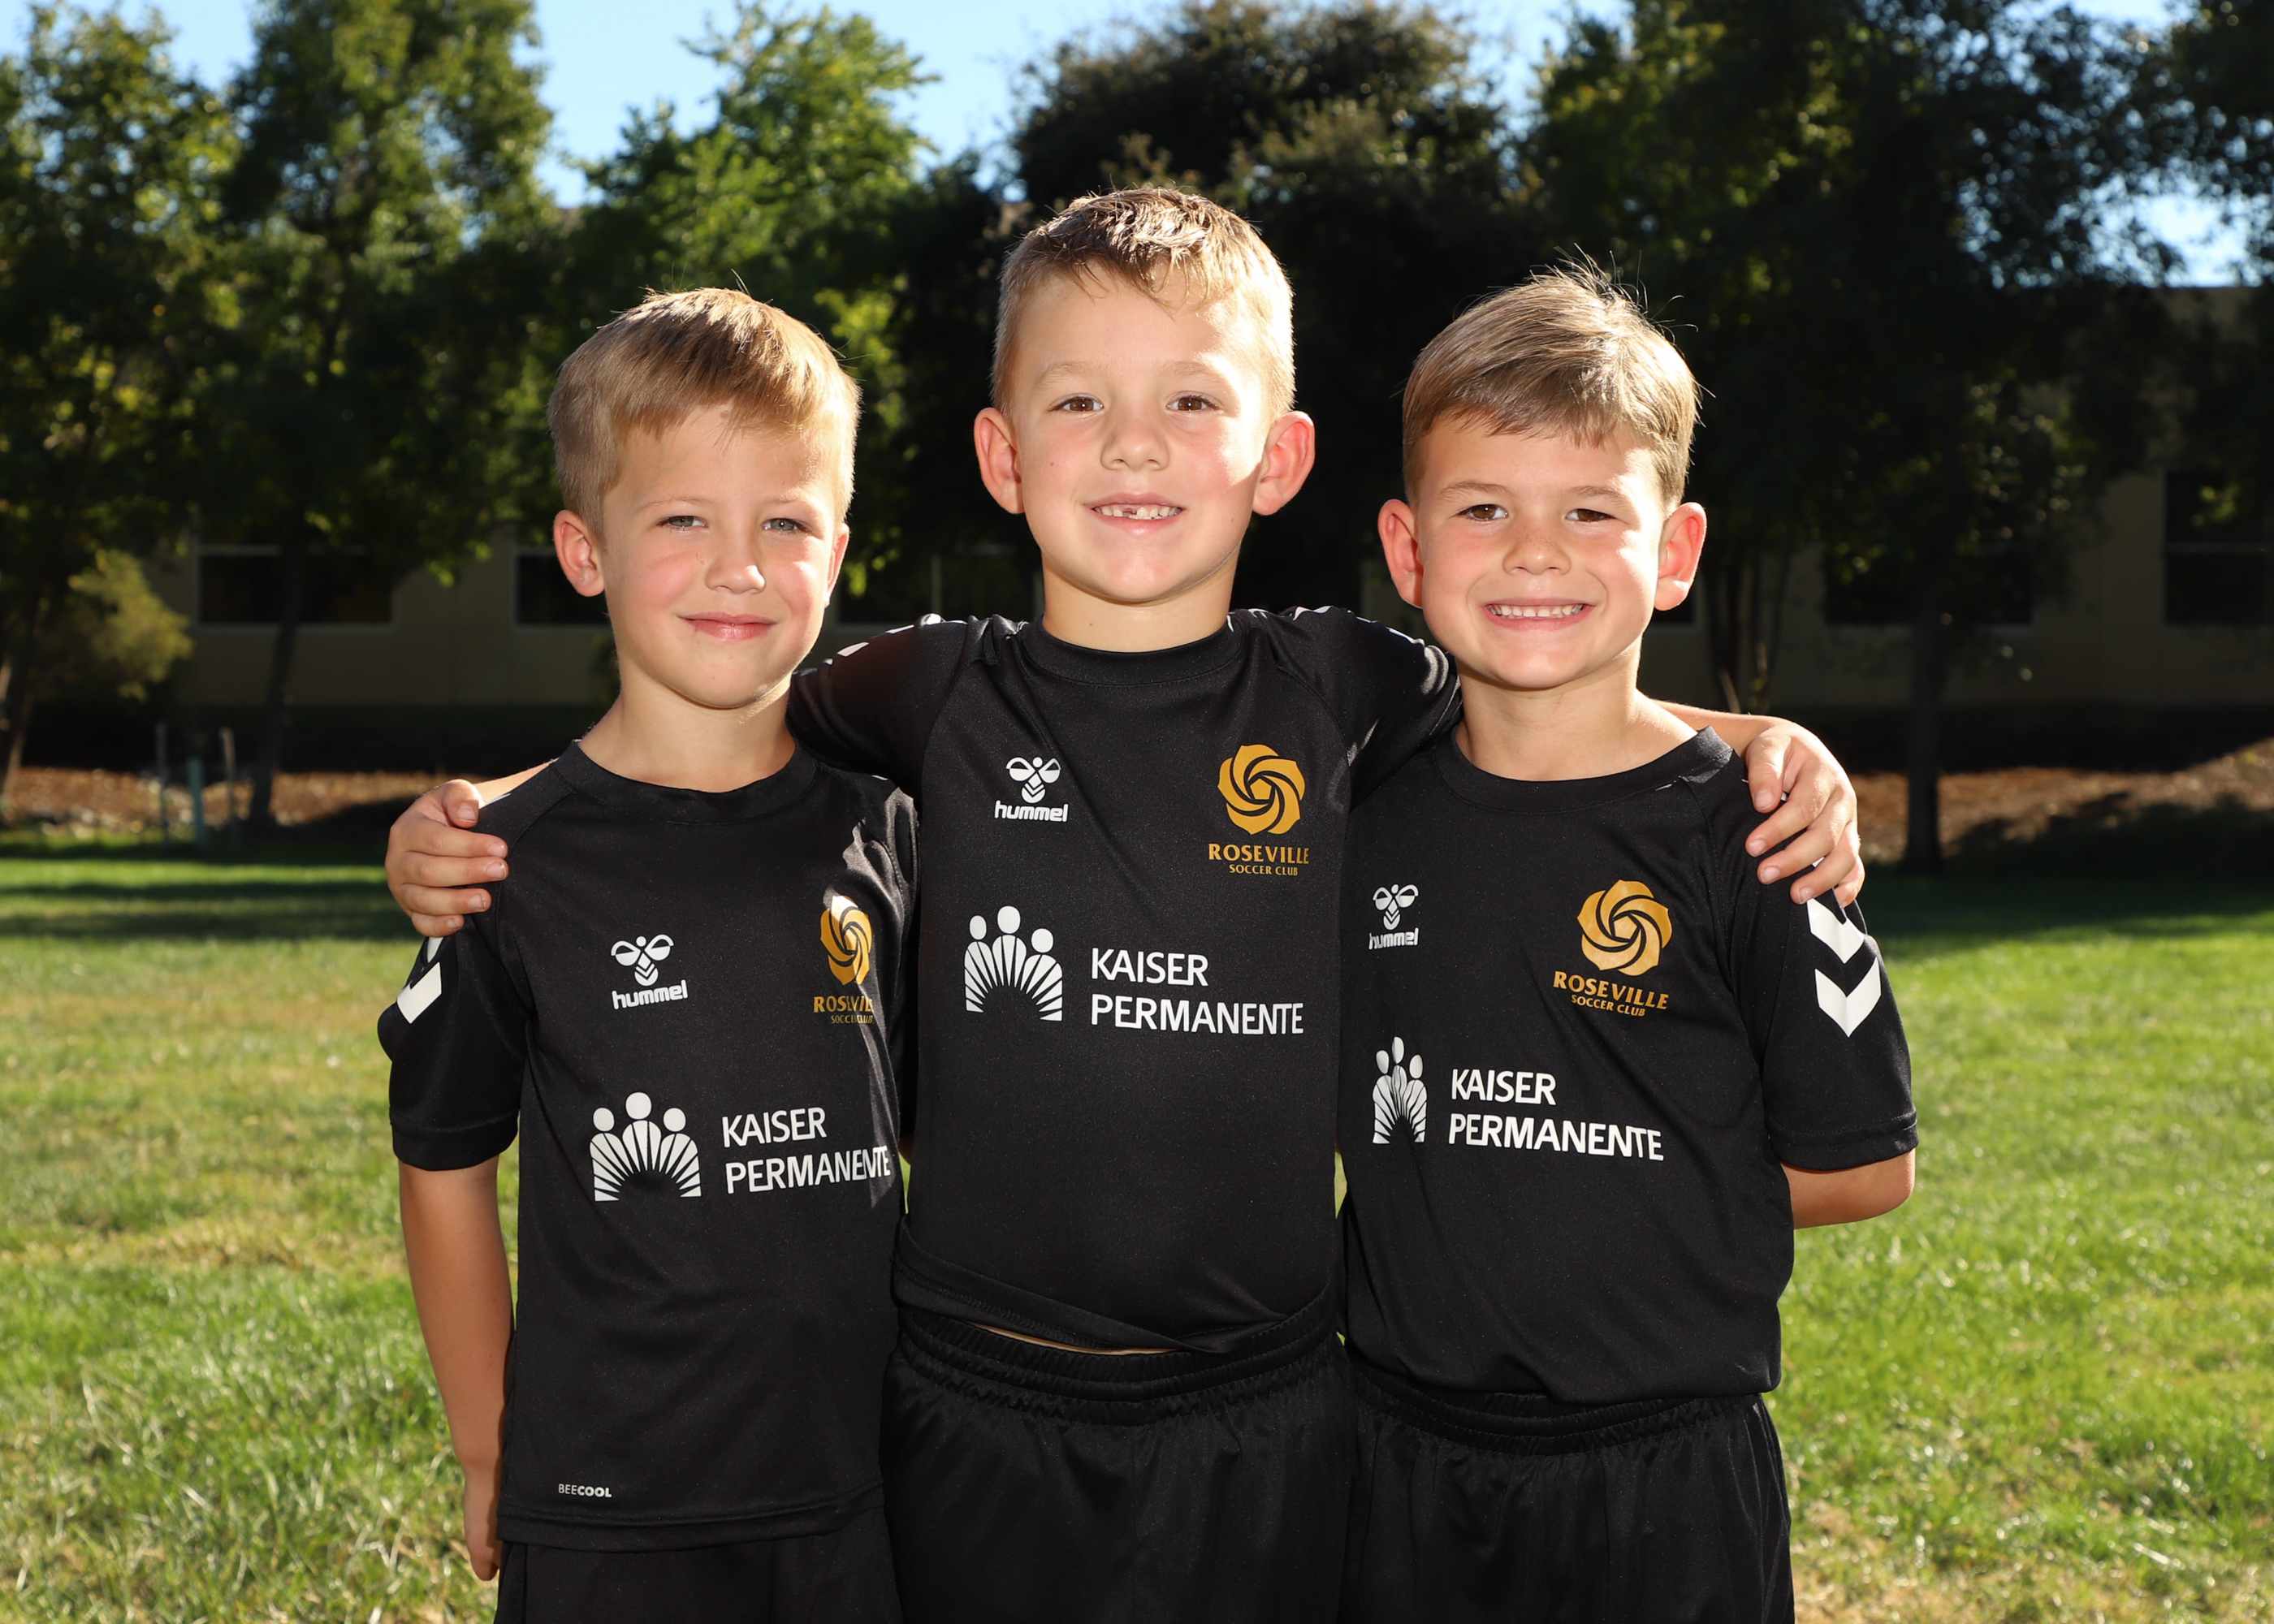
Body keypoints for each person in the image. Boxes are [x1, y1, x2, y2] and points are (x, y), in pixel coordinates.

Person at [380, 192, 1866, 1623]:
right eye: (1079, 400)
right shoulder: (928, 689)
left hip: (1272, 1407)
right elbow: (707, 720)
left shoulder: (1346, 683)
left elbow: (1555, 699)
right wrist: (466, 820)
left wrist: (1766, 743)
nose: (1134, 443)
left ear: (1279, 456)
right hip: (977, 1401)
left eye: (1192, 401)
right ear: (1003, 454)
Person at [1337, 266, 1917, 1622]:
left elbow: (1865, 1168)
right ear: (1408, 549)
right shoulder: (1354, 803)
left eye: (1591, 512)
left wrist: (1581, 1177)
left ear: (1675, 549)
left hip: (1670, 1474)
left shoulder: (1764, 829)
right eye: (1483, 508)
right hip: (1395, 1456)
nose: (1535, 553)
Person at [378, 290, 914, 1624]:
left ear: (839, 551)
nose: (740, 567)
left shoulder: (894, 828)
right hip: (609, 1507)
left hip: (864, 1486)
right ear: (585, 550)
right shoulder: (502, 860)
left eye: (785, 523)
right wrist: (489, 1443)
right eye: (682, 520)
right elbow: (442, 1159)